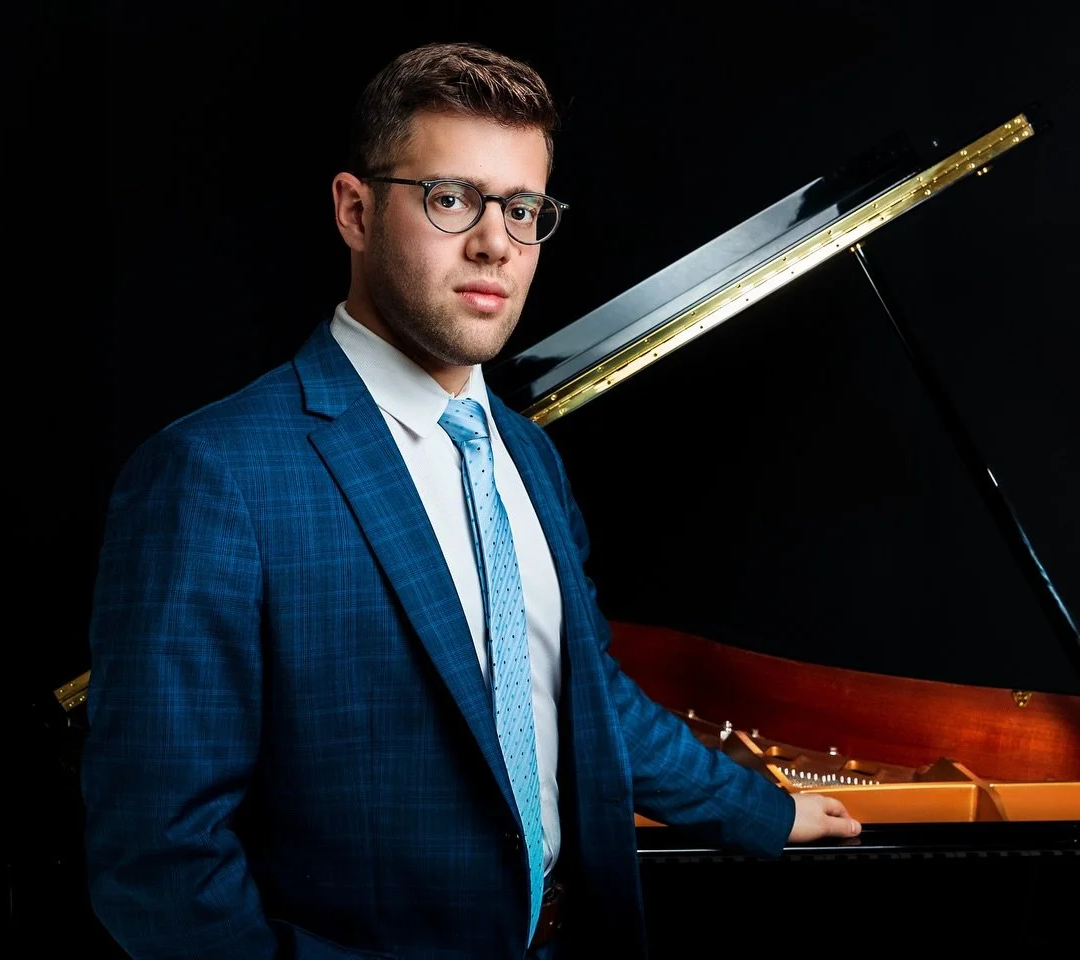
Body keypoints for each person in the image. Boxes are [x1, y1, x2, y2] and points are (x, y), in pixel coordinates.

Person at [79, 40, 860, 960]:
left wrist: (758, 809)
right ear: (355, 211)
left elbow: (582, 692)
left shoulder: (527, 455)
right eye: (451, 199)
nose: (496, 240)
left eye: (523, 208)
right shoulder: (213, 475)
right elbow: (160, 864)